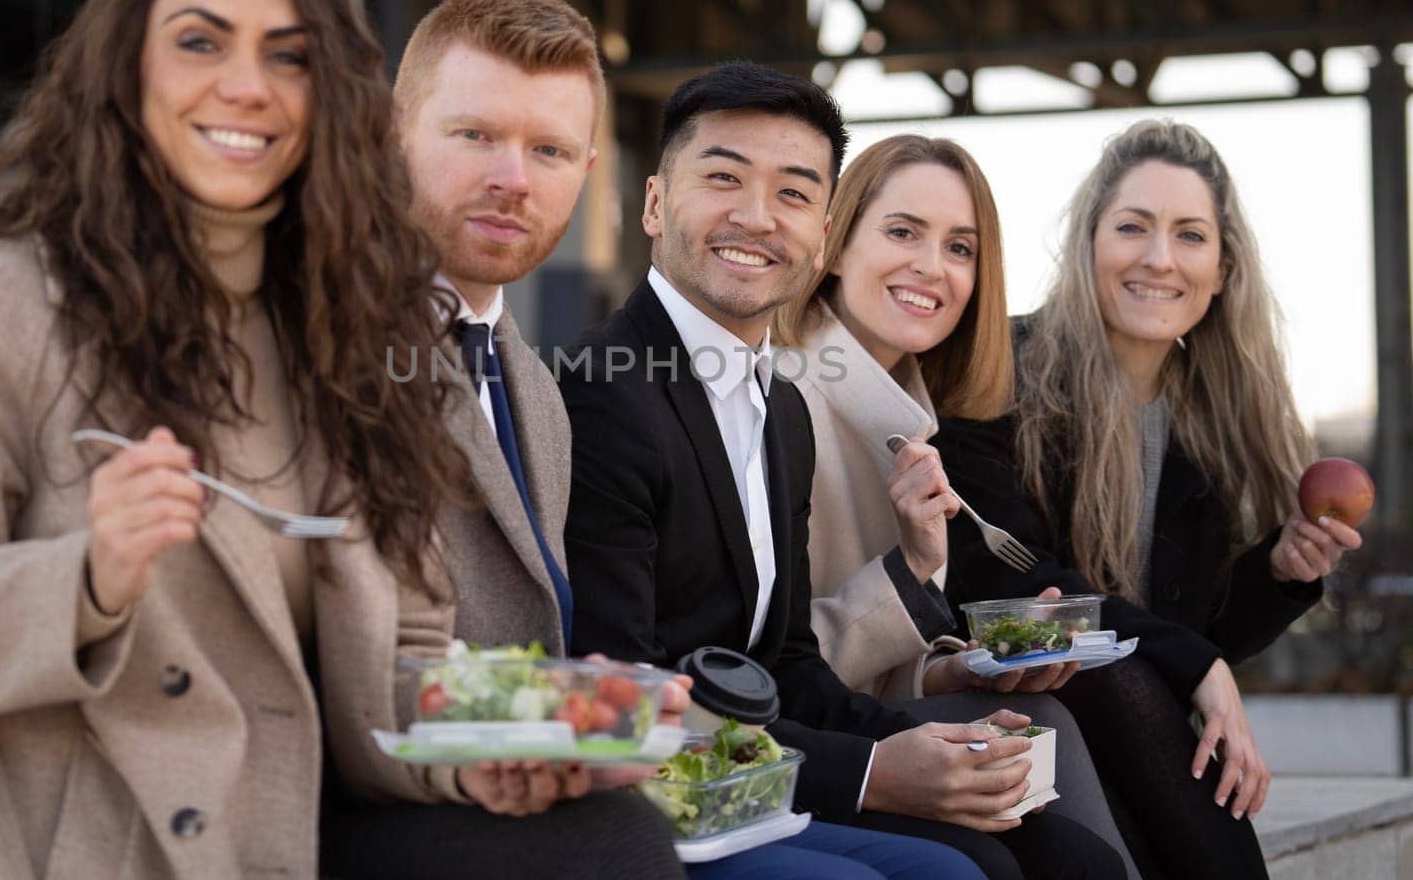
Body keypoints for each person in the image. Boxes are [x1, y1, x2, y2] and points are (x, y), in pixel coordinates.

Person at [0, 0, 467, 880]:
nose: (246, 86)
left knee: (600, 838)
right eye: (201, 41)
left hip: (309, 831)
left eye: (288, 56)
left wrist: (488, 757)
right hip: (106, 850)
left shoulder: (350, 329)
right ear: (125, 67)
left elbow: (409, 644)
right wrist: (86, 579)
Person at [561, 63, 1127, 880]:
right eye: (723, 178)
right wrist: (871, 771)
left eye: (793, 194)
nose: (757, 216)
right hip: (670, 801)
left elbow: (789, 663)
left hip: (761, 767)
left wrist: (913, 743)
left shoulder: (781, 410)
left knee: (1075, 860)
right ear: (654, 203)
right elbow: (630, 692)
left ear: (820, 232)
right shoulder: (603, 393)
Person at [314, 0, 690, 880]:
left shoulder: (536, 389)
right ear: (393, 136)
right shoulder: (323, 341)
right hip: (339, 793)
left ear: (585, 170)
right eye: (475, 134)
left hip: (497, 783)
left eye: (549, 149)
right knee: (624, 844)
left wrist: (582, 718)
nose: (513, 179)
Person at [934, 119, 1364, 880]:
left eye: (1190, 235)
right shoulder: (999, 370)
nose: (1160, 258)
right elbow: (1017, 587)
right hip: (999, 708)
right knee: (1109, 668)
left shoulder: (1207, 422)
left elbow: (1191, 634)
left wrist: (1281, 571)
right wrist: (1198, 666)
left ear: (1223, 268)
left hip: (1124, 734)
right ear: (1089, 242)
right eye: (1133, 226)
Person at [771, 134, 1140, 879]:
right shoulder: (784, 400)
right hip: (800, 753)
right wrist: (911, 569)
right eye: (903, 231)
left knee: (1050, 725)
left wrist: (959, 671)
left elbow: (873, 672)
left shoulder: (907, 411)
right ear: (835, 248)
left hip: (858, 721)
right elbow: (781, 667)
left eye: (960, 247)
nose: (932, 266)